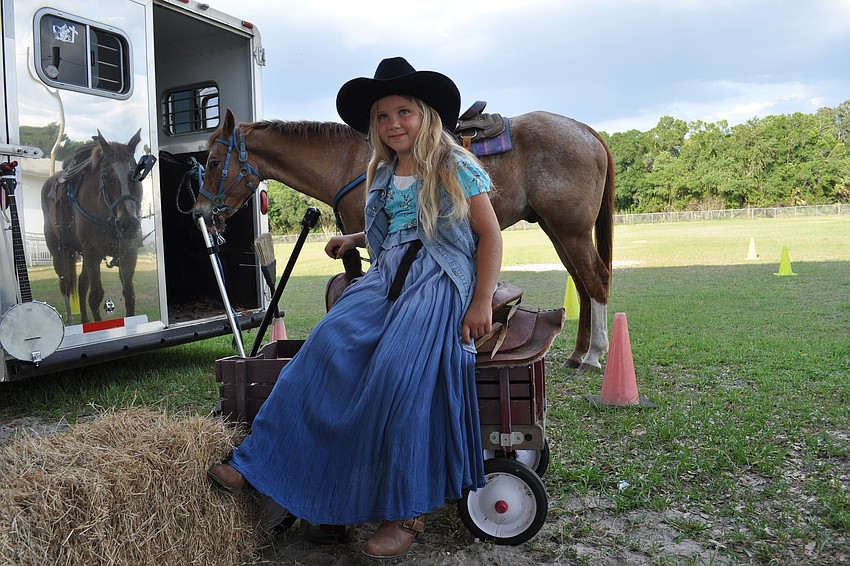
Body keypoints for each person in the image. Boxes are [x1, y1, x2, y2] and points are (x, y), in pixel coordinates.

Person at [208, 56, 503, 559]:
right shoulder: (385, 172)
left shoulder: (454, 165)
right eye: (383, 117)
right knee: (323, 348)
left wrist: (480, 303)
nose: (393, 125)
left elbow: (488, 234)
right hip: (388, 275)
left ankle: (405, 513)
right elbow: (398, 231)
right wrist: (355, 237)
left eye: (403, 112)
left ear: (425, 114)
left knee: (397, 371)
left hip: (438, 280)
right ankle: (257, 463)